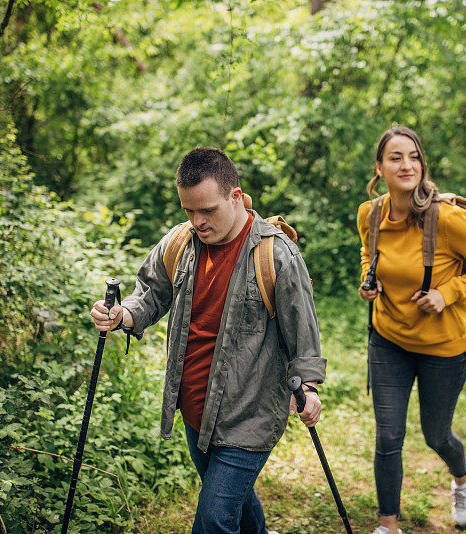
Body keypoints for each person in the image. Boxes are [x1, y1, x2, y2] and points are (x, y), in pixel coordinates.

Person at [91, 147, 326, 534]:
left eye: (207, 210)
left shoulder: (276, 254)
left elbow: (304, 332)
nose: (197, 222)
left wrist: (310, 387)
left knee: (215, 519)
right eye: (189, 211)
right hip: (195, 410)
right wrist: (123, 314)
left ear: (235, 196)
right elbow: (150, 294)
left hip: (249, 414)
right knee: (235, 500)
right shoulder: (180, 243)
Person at [357, 127, 466, 533]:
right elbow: (369, 252)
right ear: (379, 168)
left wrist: (448, 293)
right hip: (388, 340)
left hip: (444, 347)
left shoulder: (447, 218)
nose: (407, 165)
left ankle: (462, 477)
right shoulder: (369, 214)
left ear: (422, 164)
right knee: (388, 438)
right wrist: (369, 280)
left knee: (436, 435)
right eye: (396, 157)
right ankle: (388, 524)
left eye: (414, 157)